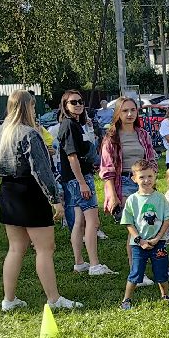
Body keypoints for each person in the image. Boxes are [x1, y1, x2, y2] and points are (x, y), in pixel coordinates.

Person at [0, 90, 81, 311]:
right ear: (28, 107)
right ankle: (54, 299)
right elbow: (42, 171)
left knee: (15, 248)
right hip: (31, 191)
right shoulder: (30, 133)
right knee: (45, 249)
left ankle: (8, 300)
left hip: (9, 191)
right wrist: (55, 198)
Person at [55, 89, 109, 276]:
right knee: (92, 222)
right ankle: (95, 264)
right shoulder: (69, 125)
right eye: (73, 102)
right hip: (78, 179)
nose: (78, 104)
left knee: (78, 221)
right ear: (65, 106)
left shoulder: (75, 125)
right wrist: (82, 183)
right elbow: (72, 157)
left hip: (76, 178)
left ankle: (79, 262)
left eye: (80, 101)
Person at [118, 162, 169, 309]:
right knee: (136, 272)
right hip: (138, 244)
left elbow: (168, 218)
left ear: (155, 176)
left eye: (150, 176)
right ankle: (126, 300)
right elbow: (128, 223)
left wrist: (157, 238)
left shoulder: (160, 198)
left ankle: (165, 296)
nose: (147, 180)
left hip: (158, 243)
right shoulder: (132, 200)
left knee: (161, 271)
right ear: (134, 178)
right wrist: (139, 240)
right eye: (142, 177)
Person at [99, 96, 158, 216]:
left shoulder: (143, 134)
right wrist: (112, 195)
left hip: (144, 181)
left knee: (147, 222)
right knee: (132, 223)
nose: (130, 114)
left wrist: (152, 179)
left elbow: (151, 160)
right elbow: (107, 169)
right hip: (124, 182)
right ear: (118, 113)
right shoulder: (111, 137)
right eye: (125, 111)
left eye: (133, 110)